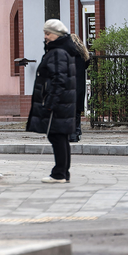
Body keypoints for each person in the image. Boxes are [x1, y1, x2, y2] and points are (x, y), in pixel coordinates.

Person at [26, 19, 77, 184]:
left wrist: (50, 103)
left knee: (57, 136)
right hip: (64, 102)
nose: (45, 37)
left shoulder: (57, 53)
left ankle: (59, 173)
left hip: (59, 104)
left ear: (57, 34)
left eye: (48, 33)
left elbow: (58, 80)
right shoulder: (64, 50)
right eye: (44, 33)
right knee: (60, 136)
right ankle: (63, 172)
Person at [65, 33, 89, 143]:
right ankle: (77, 131)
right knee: (77, 111)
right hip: (80, 86)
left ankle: (72, 134)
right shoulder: (83, 55)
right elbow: (87, 64)